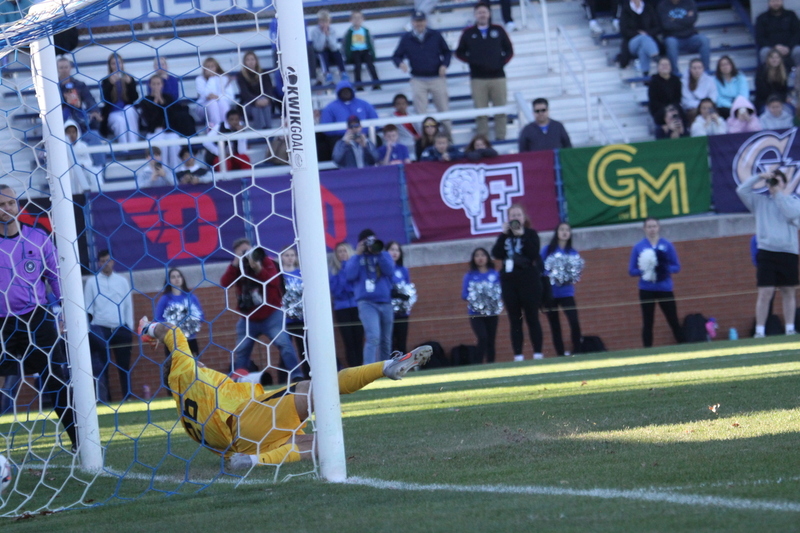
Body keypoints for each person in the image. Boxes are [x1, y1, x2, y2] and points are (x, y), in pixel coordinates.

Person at [137, 316, 431, 469]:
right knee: (316, 387)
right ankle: (386, 367)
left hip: (240, 446)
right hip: (247, 420)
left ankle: (254, 462)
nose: (199, 363)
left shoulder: (184, 413)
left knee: (325, 442)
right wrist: (149, 328)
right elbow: (173, 333)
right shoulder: (183, 370)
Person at [0, 185, 75, 447]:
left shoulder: (37, 237)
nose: (6, 209)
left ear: (17, 206)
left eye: (10, 203)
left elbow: (55, 275)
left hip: (37, 318)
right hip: (1, 324)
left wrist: (67, 310)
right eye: (1, 204)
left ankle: (81, 443)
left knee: (56, 380)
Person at [220, 237, 303, 382]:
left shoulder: (265, 261)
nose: (246, 254)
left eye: (248, 250)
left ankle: (296, 376)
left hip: (271, 314)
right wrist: (235, 264)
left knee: (284, 344)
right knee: (242, 350)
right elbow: (225, 283)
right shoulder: (237, 267)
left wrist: (258, 268)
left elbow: (274, 281)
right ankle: (237, 381)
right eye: (242, 252)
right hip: (248, 317)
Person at [736, 170, 800, 337]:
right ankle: (760, 330)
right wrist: (760, 177)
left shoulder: (793, 202)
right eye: (772, 182)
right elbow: (741, 190)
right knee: (765, 292)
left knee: (788, 291)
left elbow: (791, 213)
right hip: (767, 252)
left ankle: (790, 328)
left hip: (788, 252)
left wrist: (779, 193)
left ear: (785, 184)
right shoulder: (760, 202)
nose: (774, 185)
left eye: (778, 182)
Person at [491, 203, 544, 361]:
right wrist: (504, 234)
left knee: (532, 317)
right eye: (512, 216)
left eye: (518, 215)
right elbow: (496, 253)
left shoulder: (531, 233)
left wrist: (522, 235)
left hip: (529, 280)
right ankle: (518, 355)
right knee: (515, 319)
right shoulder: (504, 236)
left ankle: (537, 353)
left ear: (524, 217)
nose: (515, 218)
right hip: (509, 281)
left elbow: (533, 253)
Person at [455, 2, 514, 140]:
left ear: (489, 14)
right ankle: (483, 140)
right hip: (478, 79)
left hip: (498, 77)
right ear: (475, 15)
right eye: (479, 12)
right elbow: (459, 52)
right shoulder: (468, 33)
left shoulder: (498, 30)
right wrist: (472, 62)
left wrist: (501, 63)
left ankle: (501, 138)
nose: (482, 15)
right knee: (481, 112)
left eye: (484, 12)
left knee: (500, 110)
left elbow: (509, 50)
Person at [83, 249, 133, 403]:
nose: (106, 263)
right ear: (99, 263)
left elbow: (128, 305)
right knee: (103, 367)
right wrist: (89, 330)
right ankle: (106, 399)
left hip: (120, 328)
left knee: (124, 365)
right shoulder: (92, 282)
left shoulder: (122, 281)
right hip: (100, 328)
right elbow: (88, 307)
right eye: (103, 260)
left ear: (113, 261)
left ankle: (128, 396)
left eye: (108, 260)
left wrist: (129, 327)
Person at [628, 217, 683, 347]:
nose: (652, 229)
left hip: (665, 288)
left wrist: (663, 269)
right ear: (644, 229)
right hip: (646, 289)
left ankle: (684, 345)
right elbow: (631, 271)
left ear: (658, 227)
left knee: (673, 319)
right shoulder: (638, 247)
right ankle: (647, 350)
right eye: (649, 227)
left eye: (654, 226)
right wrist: (646, 270)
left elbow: (677, 267)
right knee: (648, 322)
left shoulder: (667, 245)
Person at [392, 11, 452, 126]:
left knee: (444, 111)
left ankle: (449, 138)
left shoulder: (435, 35)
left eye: (421, 21)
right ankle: (424, 142)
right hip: (418, 79)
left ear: (426, 21)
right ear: (412, 22)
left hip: (437, 78)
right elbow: (396, 56)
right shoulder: (406, 38)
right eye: (416, 21)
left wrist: (444, 65)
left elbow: (447, 52)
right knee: (421, 113)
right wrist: (400, 64)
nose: (419, 24)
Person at [344, 229, 395, 365]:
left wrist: (379, 253)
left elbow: (390, 271)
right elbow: (350, 275)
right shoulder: (357, 258)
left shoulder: (383, 255)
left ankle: (386, 368)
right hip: (367, 303)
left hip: (385, 302)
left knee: (386, 339)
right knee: (373, 337)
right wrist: (357, 254)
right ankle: (368, 370)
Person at [541, 222, 584, 356]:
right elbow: (539, 269)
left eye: (567, 230)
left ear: (570, 234)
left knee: (574, 321)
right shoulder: (547, 250)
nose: (564, 232)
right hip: (550, 294)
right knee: (555, 325)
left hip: (567, 293)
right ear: (557, 232)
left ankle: (577, 350)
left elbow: (577, 272)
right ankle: (560, 354)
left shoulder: (573, 252)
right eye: (562, 229)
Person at [138, 76, 188, 170]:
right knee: (161, 146)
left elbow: (172, 117)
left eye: (158, 84)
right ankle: (162, 172)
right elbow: (150, 120)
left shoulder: (168, 98)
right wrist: (155, 103)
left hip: (169, 131)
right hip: (154, 132)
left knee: (174, 143)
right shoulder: (145, 101)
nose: (156, 86)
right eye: (154, 84)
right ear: (150, 85)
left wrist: (162, 102)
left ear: (162, 85)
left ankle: (176, 171)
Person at [462, 247, 502, 364]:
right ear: (473, 259)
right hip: (475, 313)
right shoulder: (469, 275)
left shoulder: (495, 274)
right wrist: (477, 297)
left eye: (483, 255)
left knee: (491, 339)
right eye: (477, 255)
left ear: (487, 258)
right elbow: (464, 295)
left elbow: (501, 292)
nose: (480, 258)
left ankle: (491, 364)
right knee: (482, 337)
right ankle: (478, 363)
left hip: (492, 312)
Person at [155, 267, 204, 356]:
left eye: (179, 276)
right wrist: (171, 326)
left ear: (182, 279)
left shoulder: (191, 297)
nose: (177, 279)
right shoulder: (165, 299)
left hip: (190, 339)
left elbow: (201, 316)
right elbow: (158, 319)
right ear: (168, 281)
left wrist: (191, 324)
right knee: (175, 367)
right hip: (173, 341)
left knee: (193, 367)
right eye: (173, 277)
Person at [329, 242, 364, 368]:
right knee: (348, 341)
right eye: (339, 251)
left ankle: (361, 367)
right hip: (341, 308)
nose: (342, 254)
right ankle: (353, 368)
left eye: (344, 251)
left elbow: (355, 287)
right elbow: (336, 290)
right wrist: (343, 270)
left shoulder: (357, 268)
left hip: (357, 306)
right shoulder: (333, 271)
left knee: (359, 339)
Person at [656, 0, 710, 75]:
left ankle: (705, 71)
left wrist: (674, 20)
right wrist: (684, 19)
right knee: (671, 42)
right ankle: (674, 73)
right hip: (673, 38)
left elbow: (692, 20)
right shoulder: (663, 5)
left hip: (690, 37)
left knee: (704, 39)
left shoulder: (689, 2)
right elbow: (666, 25)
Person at [100, 53, 140, 144]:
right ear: (110, 66)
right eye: (113, 63)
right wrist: (110, 85)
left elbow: (135, 97)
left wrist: (130, 84)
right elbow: (105, 100)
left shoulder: (129, 78)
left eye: (119, 63)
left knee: (129, 109)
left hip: (127, 111)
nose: (117, 66)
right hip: (113, 113)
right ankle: (125, 148)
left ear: (122, 64)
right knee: (120, 121)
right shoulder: (106, 81)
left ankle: (134, 144)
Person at [57, 57, 101, 137]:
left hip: (80, 118)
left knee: (94, 134)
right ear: (57, 69)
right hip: (61, 121)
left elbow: (89, 99)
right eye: (61, 68)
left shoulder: (79, 85)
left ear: (70, 68)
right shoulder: (54, 87)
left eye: (66, 67)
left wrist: (94, 111)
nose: (64, 70)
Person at [618, 0, 660, 77]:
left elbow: (657, 27)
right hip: (631, 42)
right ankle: (656, 57)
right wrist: (638, 34)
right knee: (643, 38)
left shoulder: (648, 7)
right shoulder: (625, 9)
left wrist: (647, 33)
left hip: (648, 40)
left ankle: (645, 73)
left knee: (643, 49)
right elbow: (623, 30)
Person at [387, 242, 415, 355]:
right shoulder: (383, 269)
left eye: (397, 250)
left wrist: (407, 297)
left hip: (402, 311)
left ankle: (403, 366)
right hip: (388, 310)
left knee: (402, 339)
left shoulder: (403, 270)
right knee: (390, 340)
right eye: (392, 249)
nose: (394, 252)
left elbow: (408, 287)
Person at [203, 107, 252, 172]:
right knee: (224, 163)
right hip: (219, 155)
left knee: (244, 158)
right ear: (227, 120)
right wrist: (220, 153)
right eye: (232, 119)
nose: (234, 122)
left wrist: (240, 135)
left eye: (236, 119)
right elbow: (206, 141)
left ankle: (247, 180)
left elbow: (241, 151)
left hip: (234, 155)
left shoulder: (242, 129)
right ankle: (225, 181)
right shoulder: (219, 126)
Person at [755, 0, 800, 70]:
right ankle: (768, 76)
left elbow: (798, 33)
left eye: (778, 1)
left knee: (798, 50)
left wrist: (788, 47)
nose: (776, 3)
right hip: (771, 48)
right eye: (773, 1)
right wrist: (774, 47)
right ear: (769, 2)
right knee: (764, 52)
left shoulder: (791, 15)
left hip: (790, 48)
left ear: (782, 1)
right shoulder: (762, 18)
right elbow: (759, 38)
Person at [236, 51, 274, 130]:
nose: (250, 62)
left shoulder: (264, 73)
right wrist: (256, 101)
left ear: (256, 61)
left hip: (264, 101)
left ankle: (269, 129)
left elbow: (269, 89)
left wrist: (266, 99)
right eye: (248, 60)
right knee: (256, 107)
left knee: (266, 105)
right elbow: (244, 93)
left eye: (252, 59)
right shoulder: (241, 75)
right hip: (249, 103)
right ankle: (260, 130)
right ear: (244, 62)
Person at [280, 247, 306, 362]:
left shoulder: (301, 273)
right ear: (281, 257)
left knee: (304, 351)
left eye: (292, 255)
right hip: (285, 319)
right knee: (285, 352)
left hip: (301, 318)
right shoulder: (279, 274)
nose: (290, 258)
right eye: (287, 255)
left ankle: (308, 377)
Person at [344, 10, 381, 90]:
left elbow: (370, 43)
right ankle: (359, 85)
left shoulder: (365, 31)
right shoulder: (349, 32)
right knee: (357, 65)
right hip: (355, 52)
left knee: (370, 65)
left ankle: (376, 83)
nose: (357, 20)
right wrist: (348, 56)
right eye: (355, 18)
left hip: (365, 51)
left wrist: (373, 54)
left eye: (359, 18)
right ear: (351, 20)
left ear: (363, 19)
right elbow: (346, 45)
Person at [195, 57, 235, 127]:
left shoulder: (224, 78)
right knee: (212, 103)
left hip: (220, 105)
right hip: (203, 107)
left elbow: (230, 97)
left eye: (212, 67)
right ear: (204, 69)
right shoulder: (199, 79)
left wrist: (218, 97)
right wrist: (211, 78)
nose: (210, 69)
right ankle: (217, 128)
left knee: (222, 103)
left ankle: (226, 127)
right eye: (207, 67)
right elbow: (204, 95)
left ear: (216, 67)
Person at [310, 9, 347, 85]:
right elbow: (318, 47)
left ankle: (343, 72)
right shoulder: (314, 31)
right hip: (320, 52)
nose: (324, 24)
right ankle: (327, 74)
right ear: (319, 22)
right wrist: (323, 34)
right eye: (322, 22)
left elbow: (334, 47)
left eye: (326, 22)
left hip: (331, 51)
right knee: (322, 55)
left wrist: (328, 36)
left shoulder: (332, 31)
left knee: (338, 53)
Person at [64, 119, 99, 193]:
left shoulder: (83, 145)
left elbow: (89, 161)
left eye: (73, 132)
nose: (71, 135)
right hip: (70, 172)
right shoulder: (63, 148)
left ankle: (97, 192)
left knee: (95, 172)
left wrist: (83, 164)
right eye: (69, 132)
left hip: (84, 169)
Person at [648, 56, 682, 126]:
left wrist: (672, 107)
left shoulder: (676, 80)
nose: (665, 67)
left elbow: (678, 97)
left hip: (674, 108)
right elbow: (653, 100)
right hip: (659, 110)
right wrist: (666, 108)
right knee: (668, 115)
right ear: (658, 67)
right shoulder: (653, 81)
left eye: (667, 65)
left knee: (680, 113)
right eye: (662, 65)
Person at [681, 58, 717, 122]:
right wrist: (701, 107)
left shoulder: (710, 80)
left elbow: (713, 96)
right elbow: (686, 101)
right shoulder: (684, 82)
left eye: (699, 68)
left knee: (715, 113)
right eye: (694, 68)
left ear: (703, 68)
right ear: (690, 69)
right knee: (694, 113)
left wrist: (706, 107)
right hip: (692, 109)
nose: (697, 70)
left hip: (708, 107)